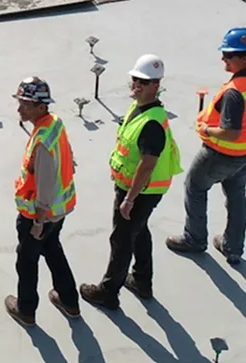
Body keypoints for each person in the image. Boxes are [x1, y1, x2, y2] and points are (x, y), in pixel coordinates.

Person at [167, 26, 246, 264]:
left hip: (221, 153)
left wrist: (206, 129)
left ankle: (194, 239)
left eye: (228, 55)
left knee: (195, 187)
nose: (223, 59)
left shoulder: (234, 93)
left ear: (244, 57)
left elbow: (230, 132)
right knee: (237, 195)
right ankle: (233, 247)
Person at [82, 54, 183, 308]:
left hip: (139, 191)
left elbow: (147, 164)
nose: (136, 85)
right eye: (135, 79)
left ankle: (108, 292)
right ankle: (141, 280)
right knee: (138, 232)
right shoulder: (140, 108)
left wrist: (129, 198)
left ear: (156, 85)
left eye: (143, 82)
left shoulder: (151, 124)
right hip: (137, 189)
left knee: (122, 238)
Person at [5, 77, 82, 326]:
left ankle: (26, 310)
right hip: (58, 212)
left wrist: (38, 221)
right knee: (53, 250)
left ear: (41, 107)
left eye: (25, 104)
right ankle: (69, 301)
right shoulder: (54, 124)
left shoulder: (42, 142)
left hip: (39, 216)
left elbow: (45, 186)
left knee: (26, 261)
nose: (19, 109)